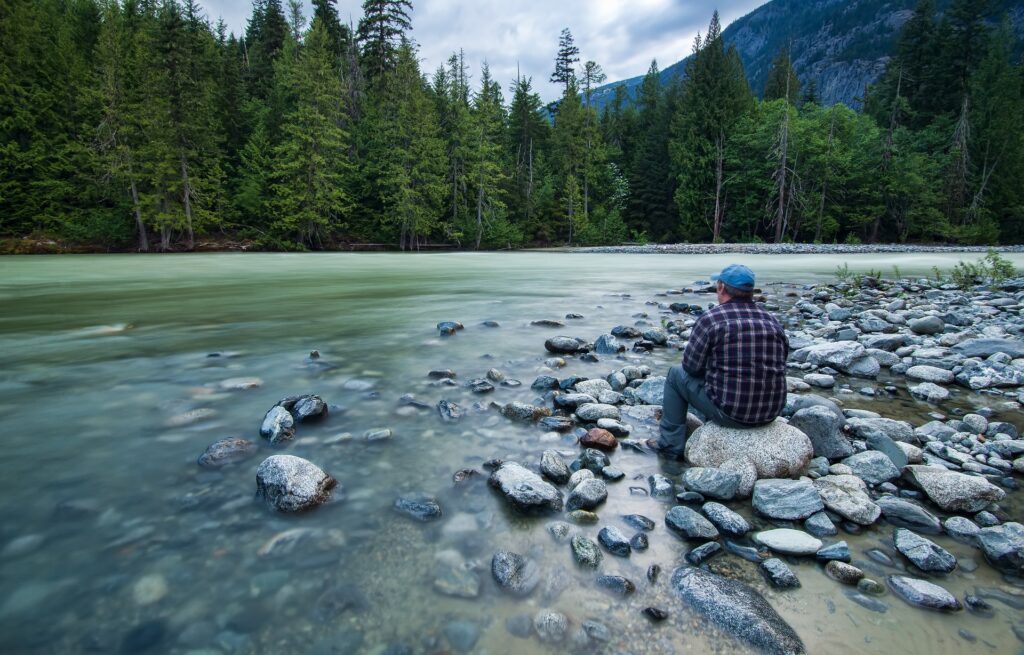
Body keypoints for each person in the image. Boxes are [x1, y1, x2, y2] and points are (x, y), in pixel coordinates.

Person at [648, 264, 789, 459]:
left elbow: (690, 367)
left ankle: (670, 445)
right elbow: (781, 362)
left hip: (732, 414)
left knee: (674, 374)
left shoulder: (712, 319)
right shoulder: (771, 320)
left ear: (721, 287)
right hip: (770, 412)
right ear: (750, 291)